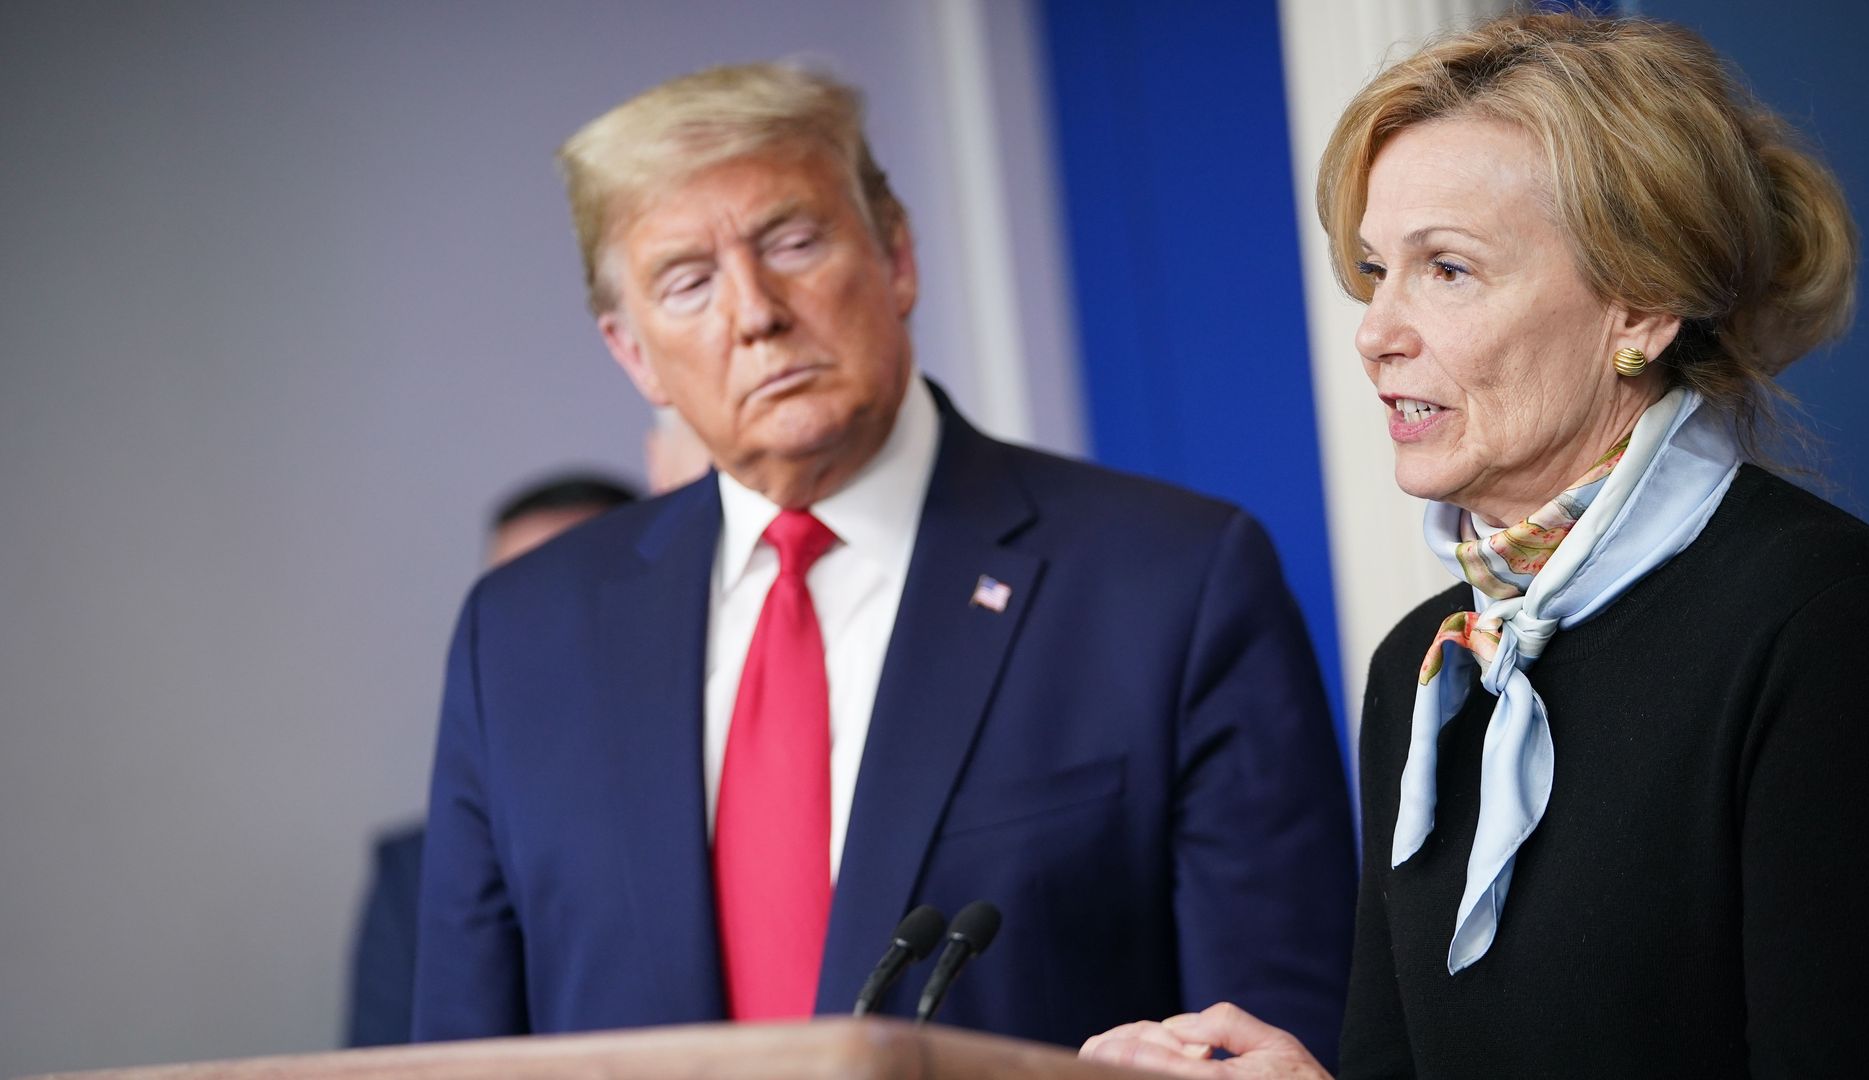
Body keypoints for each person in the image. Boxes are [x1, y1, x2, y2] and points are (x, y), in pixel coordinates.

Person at [411, 63, 1356, 1057]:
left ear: (896, 255)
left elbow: (1272, 1044)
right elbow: (458, 1055)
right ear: (633, 353)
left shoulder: (1171, 583)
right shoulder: (519, 638)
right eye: (689, 282)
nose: (755, 312)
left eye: (793, 242)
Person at [1081, 10, 1869, 1078]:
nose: (1375, 332)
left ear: (1640, 309)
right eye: (1376, 269)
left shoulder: (1818, 614)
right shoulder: (1423, 666)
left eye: (1449, 270)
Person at [346, 472, 642, 1047]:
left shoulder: (727, 823)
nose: (539, 641)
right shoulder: (413, 875)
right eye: (514, 605)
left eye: (569, 600)